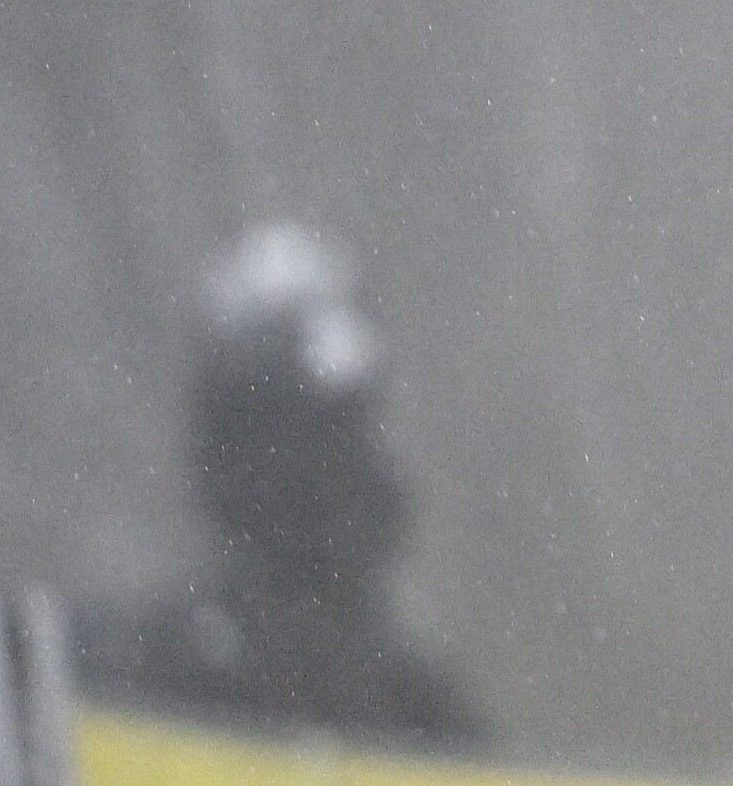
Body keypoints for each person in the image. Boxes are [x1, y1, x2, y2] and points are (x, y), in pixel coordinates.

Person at [77, 224, 481, 746]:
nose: (308, 477)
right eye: (264, 433)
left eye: (336, 436)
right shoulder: (150, 676)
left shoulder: (415, 707)